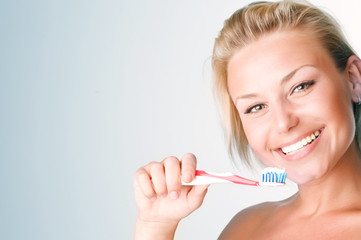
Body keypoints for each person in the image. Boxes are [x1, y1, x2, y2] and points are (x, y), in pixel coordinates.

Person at [134, 1, 361, 239]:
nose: (283, 123)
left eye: (300, 87)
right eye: (257, 107)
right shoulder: (246, 229)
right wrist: (155, 226)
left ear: (353, 79)